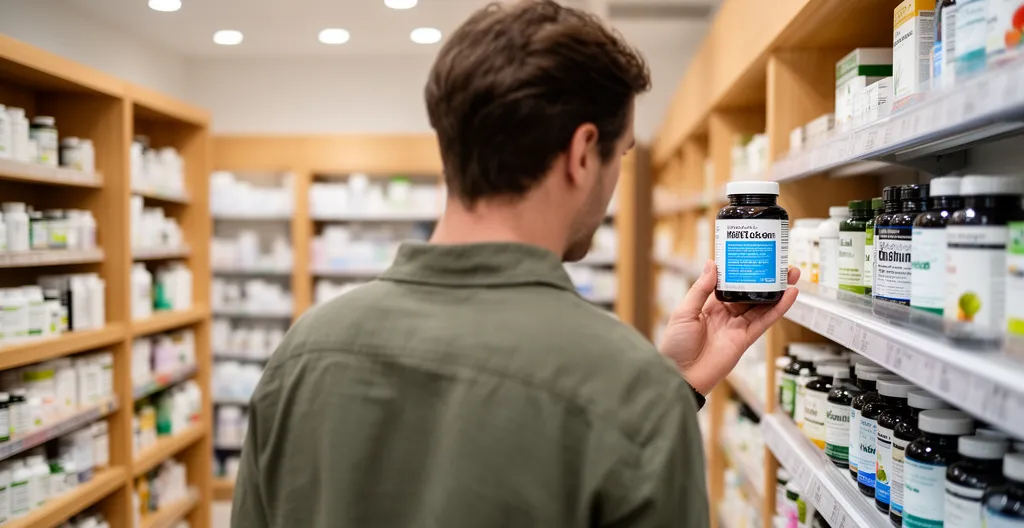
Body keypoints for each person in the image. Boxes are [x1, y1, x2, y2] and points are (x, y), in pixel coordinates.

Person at [230, 1, 799, 526]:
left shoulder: (302, 354)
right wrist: (656, 400)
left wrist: (667, 389)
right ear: (581, 154)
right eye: (620, 155)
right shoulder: (628, 389)